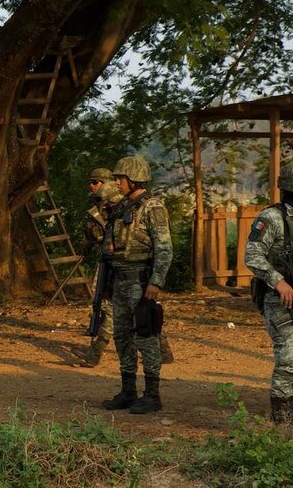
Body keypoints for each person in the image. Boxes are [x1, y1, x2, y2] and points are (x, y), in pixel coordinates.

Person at [244, 160, 293, 424]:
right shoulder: (271, 218)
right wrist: (278, 281)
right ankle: (283, 423)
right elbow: (252, 256)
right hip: (280, 300)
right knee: (290, 359)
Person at [101, 155, 173, 414]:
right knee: (122, 337)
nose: (117, 183)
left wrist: (156, 282)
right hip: (119, 281)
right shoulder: (122, 207)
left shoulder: (153, 207)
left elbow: (164, 248)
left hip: (141, 281)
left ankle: (152, 395)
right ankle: (128, 391)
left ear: (133, 180)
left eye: (120, 179)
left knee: (146, 336)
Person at [71, 177, 123, 367]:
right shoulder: (113, 215)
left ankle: (95, 353)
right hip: (113, 265)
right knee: (112, 307)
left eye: (108, 204)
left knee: (122, 309)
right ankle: (95, 353)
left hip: (125, 269)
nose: (105, 208)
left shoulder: (125, 215)